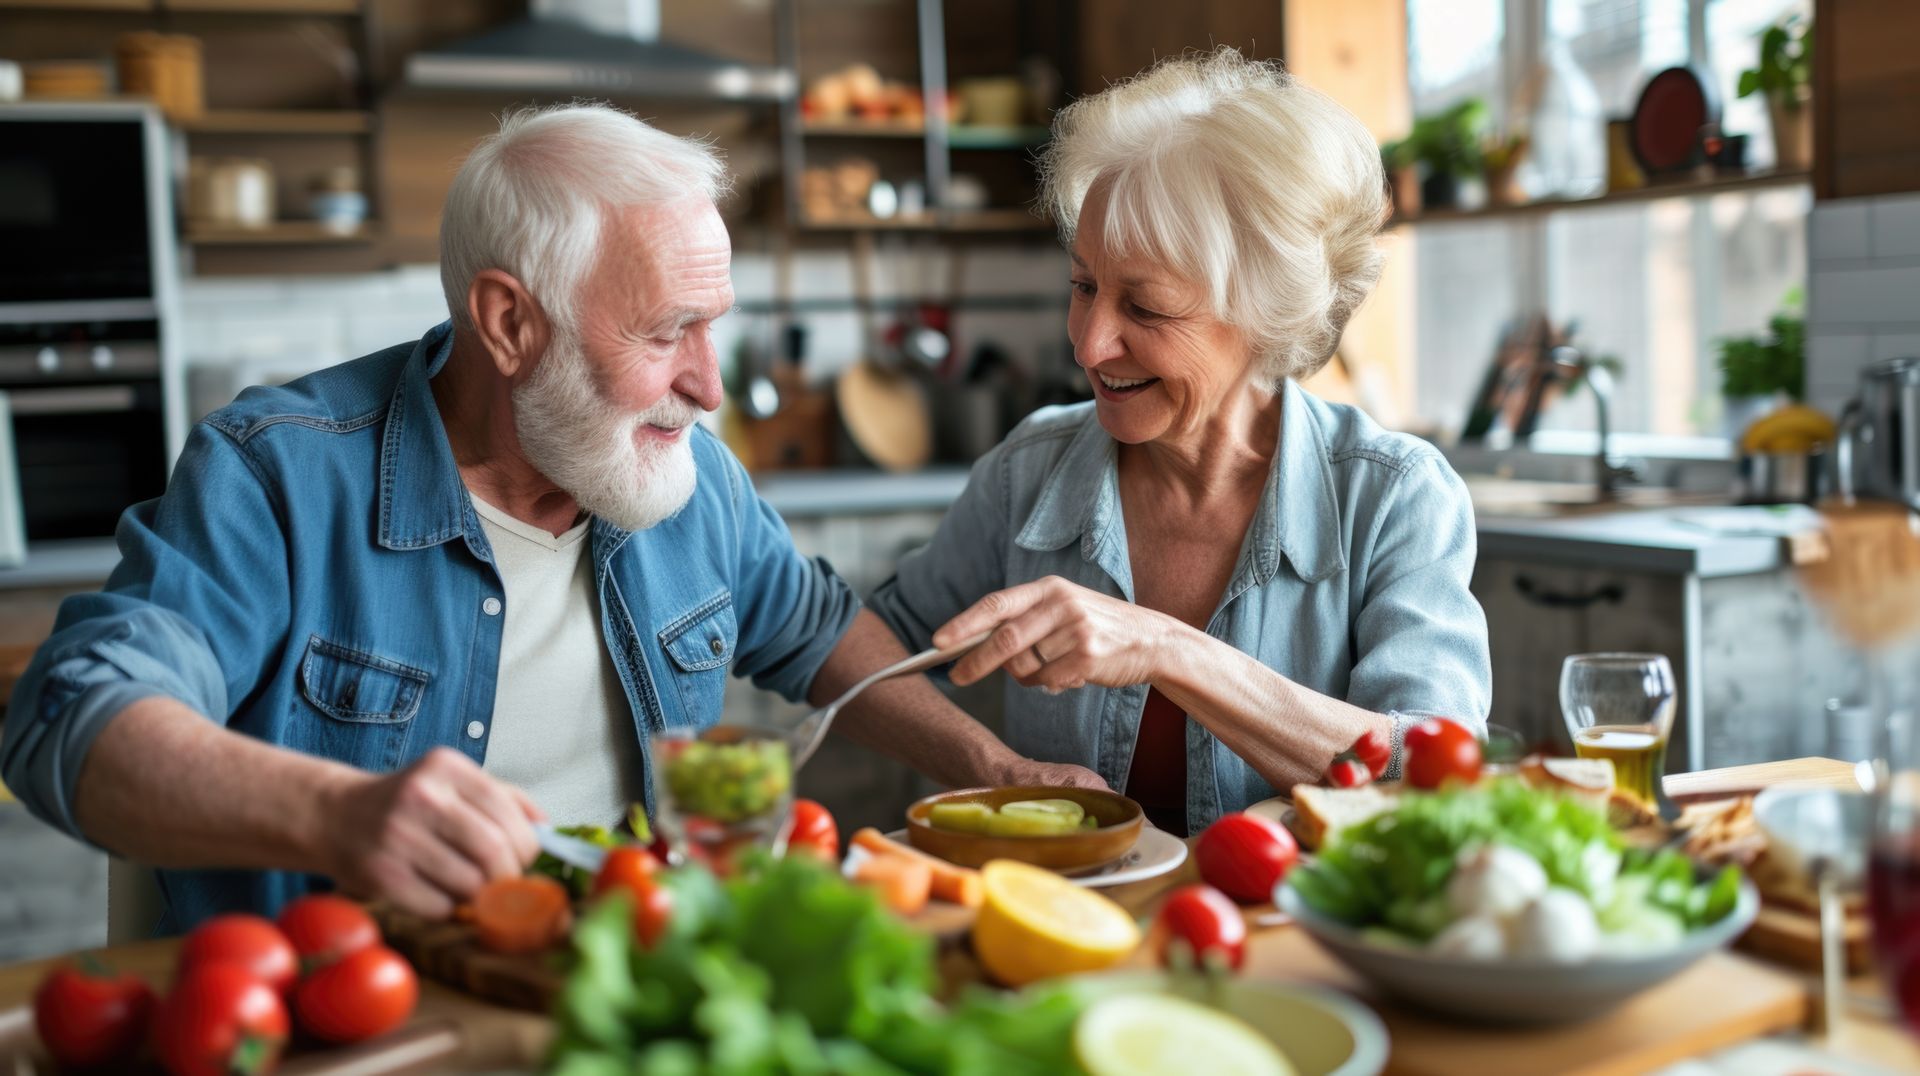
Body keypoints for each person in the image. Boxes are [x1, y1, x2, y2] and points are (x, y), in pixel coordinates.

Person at [0, 104, 1096, 931]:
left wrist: (989, 760)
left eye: (716, 327)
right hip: (364, 1014)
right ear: (510, 322)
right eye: (668, 332)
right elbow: (74, 714)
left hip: (626, 978)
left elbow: (812, 630)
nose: (710, 386)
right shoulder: (276, 479)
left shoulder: (688, 478)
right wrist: (337, 813)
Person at [867, 49, 1492, 835]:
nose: (1090, 345)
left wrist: (1170, 649)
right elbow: (864, 659)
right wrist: (995, 771)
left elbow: (1438, 773)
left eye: (1148, 309)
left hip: (1293, 942)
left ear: (1265, 317)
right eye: (1084, 285)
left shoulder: (1394, 496)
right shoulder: (1026, 474)